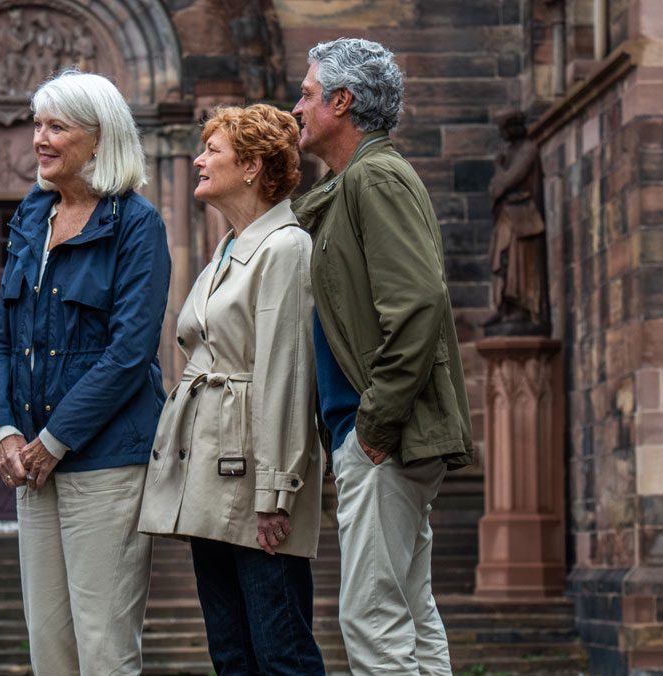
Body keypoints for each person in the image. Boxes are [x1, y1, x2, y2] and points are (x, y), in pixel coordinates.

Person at [290, 38, 475, 675]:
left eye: (309, 95)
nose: (297, 108)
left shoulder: (377, 176)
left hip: (381, 439)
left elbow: (420, 302)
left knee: (372, 618)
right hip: (375, 437)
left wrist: (374, 422)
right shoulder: (352, 182)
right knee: (409, 612)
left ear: (342, 102)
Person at [0, 70, 171, 675]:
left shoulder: (137, 226)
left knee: (104, 646)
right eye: (37, 124)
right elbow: (5, 339)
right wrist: (3, 430)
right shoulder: (31, 218)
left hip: (105, 462)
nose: (39, 138)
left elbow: (129, 353)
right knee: (50, 646)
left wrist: (54, 440)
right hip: (35, 463)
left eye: (56, 127)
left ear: (99, 139)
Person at [139, 104, 325, 676]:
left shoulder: (286, 247)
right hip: (210, 470)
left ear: (250, 167)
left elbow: (288, 374)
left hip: (255, 476)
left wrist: (276, 492)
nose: (198, 159)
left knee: (281, 652)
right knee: (231, 653)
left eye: (212, 151)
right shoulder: (227, 248)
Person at [487, 109, 549, 333]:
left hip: (523, 221)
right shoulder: (512, 151)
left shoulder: (527, 150)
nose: (502, 134)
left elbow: (506, 182)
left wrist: (501, 171)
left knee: (519, 267)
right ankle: (507, 308)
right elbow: (495, 188)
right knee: (503, 262)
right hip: (509, 217)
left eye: (504, 129)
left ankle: (522, 308)